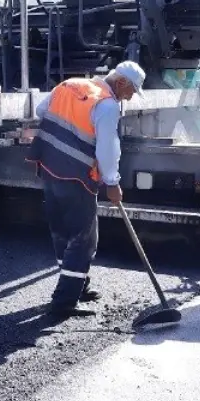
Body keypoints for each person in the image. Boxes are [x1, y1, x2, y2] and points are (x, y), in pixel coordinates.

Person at [26, 60, 146, 317]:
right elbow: (107, 149)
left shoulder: (69, 85)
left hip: (48, 169)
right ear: (121, 82)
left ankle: (77, 285)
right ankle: (64, 302)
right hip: (77, 177)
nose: (132, 95)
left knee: (62, 232)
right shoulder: (107, 105)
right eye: (132, 90)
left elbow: (41, 109)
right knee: (84, 239)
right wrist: (112, 183)